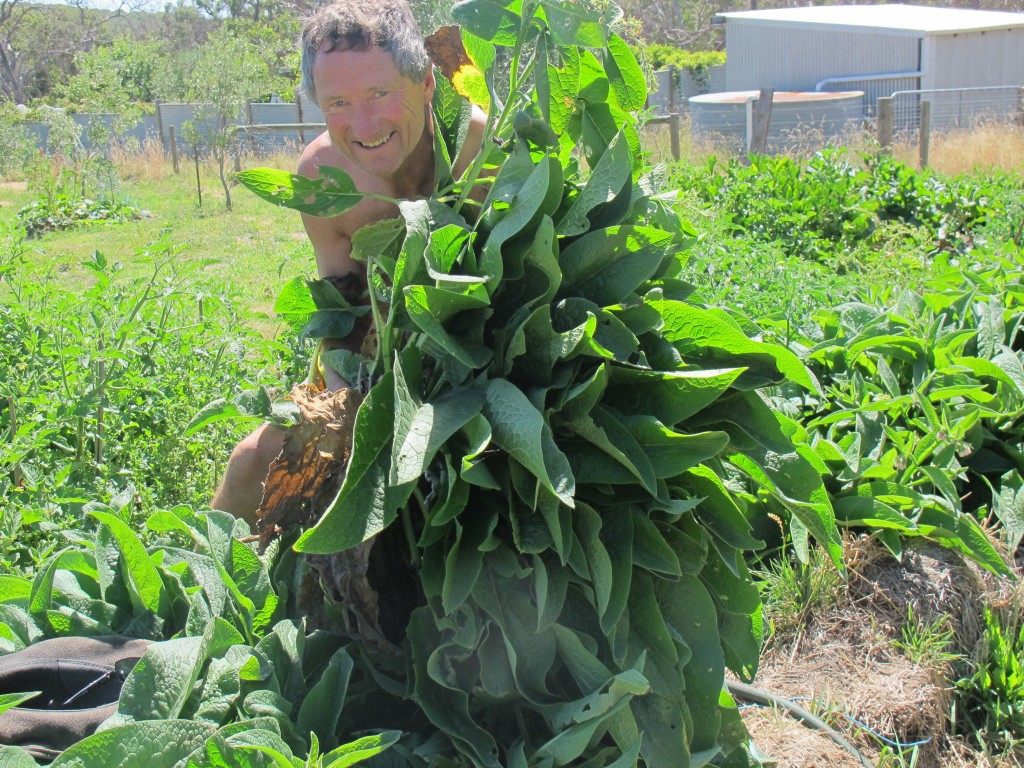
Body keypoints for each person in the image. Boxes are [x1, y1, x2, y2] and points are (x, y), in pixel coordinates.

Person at [212, 0, 486, 528]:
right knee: (251, 463)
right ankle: (205, 592)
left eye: (380, 93)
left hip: (479, 352)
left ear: (426, 83)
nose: (363, 124)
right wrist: (340, 408)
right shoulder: (321, 178)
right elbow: (341, 308)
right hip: (375, 347)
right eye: (338, 102)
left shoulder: (481, 151)